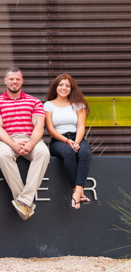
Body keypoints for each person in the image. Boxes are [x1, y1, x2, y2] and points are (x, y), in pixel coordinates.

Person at [0, 67, 50, 220]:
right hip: (7, 140)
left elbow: (39, 126)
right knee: (2, 154)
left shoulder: (34, 101)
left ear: (22, 81)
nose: (14, 82)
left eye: (17, 79)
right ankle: (24, 202)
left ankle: (24, 200)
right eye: (11, 79)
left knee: (43, 152)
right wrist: (13, 144)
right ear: (5, 80)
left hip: (31, 138)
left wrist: (31, 143)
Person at [44, 74, 92, 209]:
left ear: (71, 89)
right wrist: (67, 141)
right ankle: (78, 193)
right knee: (69, 153)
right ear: (56, 87)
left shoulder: (78, 104)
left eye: (67, 86)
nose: (63, 88)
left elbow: (81, 126)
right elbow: (50, 129)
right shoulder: (48, 105)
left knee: (86, 152)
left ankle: (77, 194)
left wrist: (76, 142)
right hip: (59, 140)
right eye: (61, 85)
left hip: (77, 137)